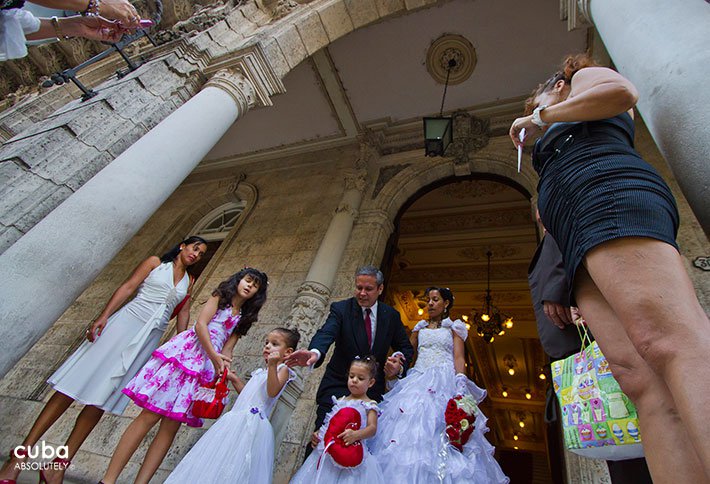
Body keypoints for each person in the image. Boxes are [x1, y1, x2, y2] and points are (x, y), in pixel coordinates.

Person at [510, 53, 710, 481]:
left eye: (536, 101)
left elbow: (620, 93)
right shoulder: (555, 116)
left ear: (559, 85)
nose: (532, 112)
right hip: (577, 232)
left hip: (608, 196)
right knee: (638, 379)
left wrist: (544, 114)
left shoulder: (580, 79)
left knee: (672, 341)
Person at [0, 236, 206, 484]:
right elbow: (128, 287)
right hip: (123, 325)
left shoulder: (189, 280)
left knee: (100, 401)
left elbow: (183, 314)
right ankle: (20, 457)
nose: (196, 254)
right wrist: (104, 316)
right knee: (71, 387)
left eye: (202, 253)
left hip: (147, 341)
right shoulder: (154, 263)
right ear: (182, 245)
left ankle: (58, 465)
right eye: (194, 247)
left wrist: (179, 351)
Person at [101, 267, 268, 484]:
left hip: (206, 367)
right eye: (248, 280)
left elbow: (228, 348)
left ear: (258, 293)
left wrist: (223, 367)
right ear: (239, 279)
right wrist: (214, 356)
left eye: (255, 286)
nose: (250, 286)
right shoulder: (221, 296)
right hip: (187, 356)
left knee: (171, 426)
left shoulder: (245, 316)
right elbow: (200, 325)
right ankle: (108, 480)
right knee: (148, 416)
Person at [528, 231, 652, 484]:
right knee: (622, 448)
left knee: (644, 434)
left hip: (599, 337)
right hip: (581, 348)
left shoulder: (562, 221)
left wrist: (567, 292)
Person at [369, 287, 508, 483]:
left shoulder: (455, 328)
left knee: (438, 427)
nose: (430, 304)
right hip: (418, 377)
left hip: (444, 380)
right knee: (407, 427)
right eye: (429, 300)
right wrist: (398, 362)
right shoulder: (419, 329)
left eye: (435, 300)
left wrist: (460, 385)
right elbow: (408, 353)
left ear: (446, 304)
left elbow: (459, 358)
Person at [285, 266, 414, 433]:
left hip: (371, 393)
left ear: (380, 289)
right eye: (359, 288)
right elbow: (326, 332)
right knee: (322, 441)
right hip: (337, 387)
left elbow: (405, 348)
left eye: (368, 289)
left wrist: (398, 364)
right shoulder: (341, 309)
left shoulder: (391, 315)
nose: (362, 293)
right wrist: (315, 352)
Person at [164, 327, 300, 484]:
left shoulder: (283, 370)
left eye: (275, 344)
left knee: (239, 463)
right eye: (266, 342)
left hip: (252, 425)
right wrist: (234, 379)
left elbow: (272, 392)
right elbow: (249, 395)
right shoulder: (260, 372)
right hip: (235, 419)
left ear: (288, 352)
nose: (267, 346)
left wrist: (272, 366)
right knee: (219, 459)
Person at [291, 356, 385, 484]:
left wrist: (356, 434)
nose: (354, 380)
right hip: (330, 453)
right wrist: (319, 434)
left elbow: (372, 428)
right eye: (351, 376)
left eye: (360, 378)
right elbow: (331, 423)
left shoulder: (369, 404)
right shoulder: (341, 401)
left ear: (371, 382)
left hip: (352, 453)